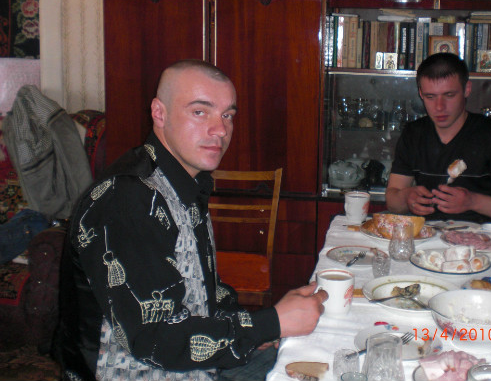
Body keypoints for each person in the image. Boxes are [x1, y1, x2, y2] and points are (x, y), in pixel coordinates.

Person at [55, 60, 328, 381]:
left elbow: (202, 290)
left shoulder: (184, 182)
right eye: (200, 112)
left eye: (227, 115)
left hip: (194, 363)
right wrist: (271, 323)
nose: (220, 129)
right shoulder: (129, 200)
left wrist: (255, 329)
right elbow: (155, 338)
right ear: (159, 113)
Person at [385, 52, 491, 223]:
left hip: (481, 235)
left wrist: (473, 202)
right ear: (420, 93)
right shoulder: (414, 133)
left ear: (467, 89)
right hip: (427, 234)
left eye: (449, 95)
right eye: (430, 97)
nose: (439, 107)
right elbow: (393, 201)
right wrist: (406, 197)